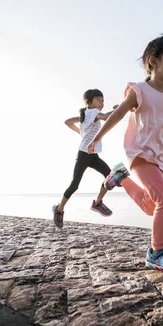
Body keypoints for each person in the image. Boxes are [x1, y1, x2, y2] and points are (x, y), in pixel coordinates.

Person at [88, 34, 163, 272]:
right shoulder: (140, 90)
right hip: (140, 155)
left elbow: (161, 114)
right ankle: (158, 252)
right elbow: (119, 114)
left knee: (153, 207)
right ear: (153, 61)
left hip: (159, 159)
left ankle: (119, 177)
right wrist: (97, 137)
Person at [52, 89, 118, 228]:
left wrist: (81, 131)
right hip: (83, 154)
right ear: (89, 101)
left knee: (109, 176)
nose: (101, 102)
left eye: (102, 100)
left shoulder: (86, 114)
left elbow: (67, 122)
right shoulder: (93, 112)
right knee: (75, 184)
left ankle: (98, 203)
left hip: (92, 155)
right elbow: (106, 117)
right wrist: (118, 109)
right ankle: (59, 209)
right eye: (98, 99)